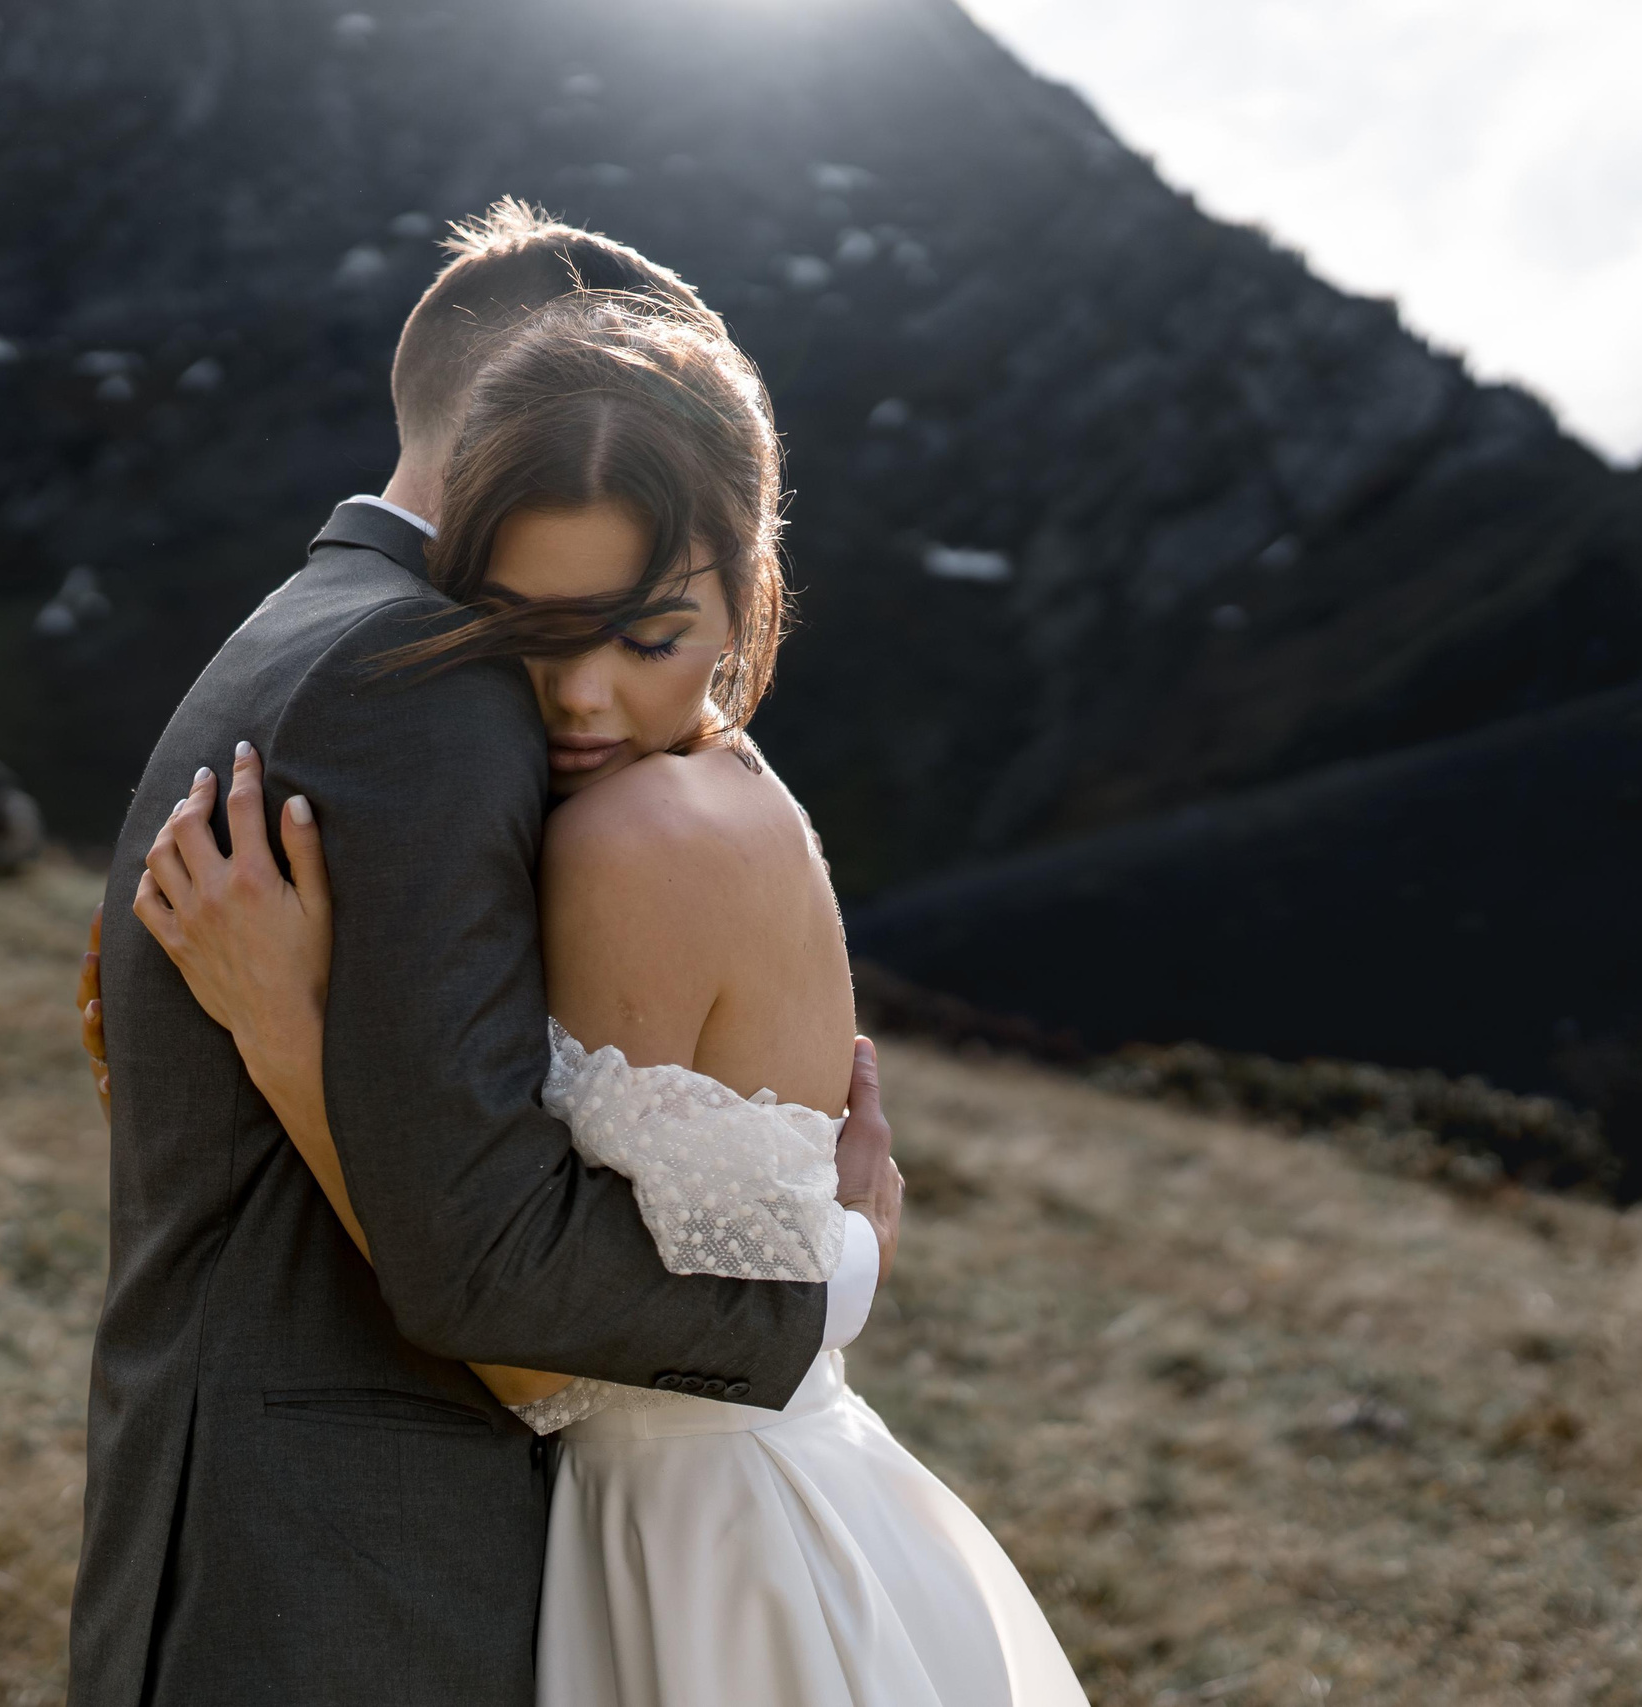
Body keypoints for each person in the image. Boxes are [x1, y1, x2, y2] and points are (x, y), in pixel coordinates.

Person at [117, 296, 1086, 1703]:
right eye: (532, 631)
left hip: (706, 1563)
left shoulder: (638, 842)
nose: (577, 697)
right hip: (745, 1516)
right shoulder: (720, 792)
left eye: (646, 636)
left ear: (749, 602)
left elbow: (530, 1358)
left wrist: (281, 1031)